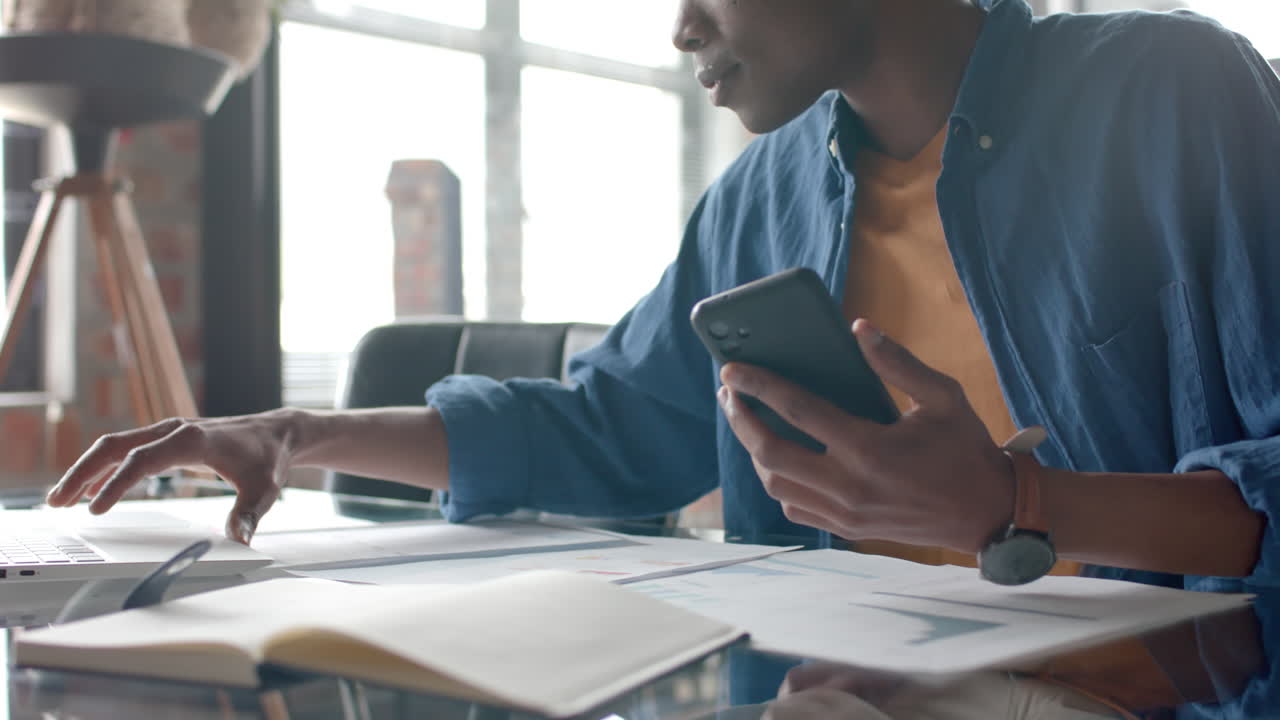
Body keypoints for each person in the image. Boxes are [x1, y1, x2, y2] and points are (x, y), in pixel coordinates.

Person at [46, 0, 1280, 592]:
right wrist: (293, 435)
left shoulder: (1175, 95)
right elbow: (606, 428)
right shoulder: (761, 197)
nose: (678, 27)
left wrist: (1019, 501)